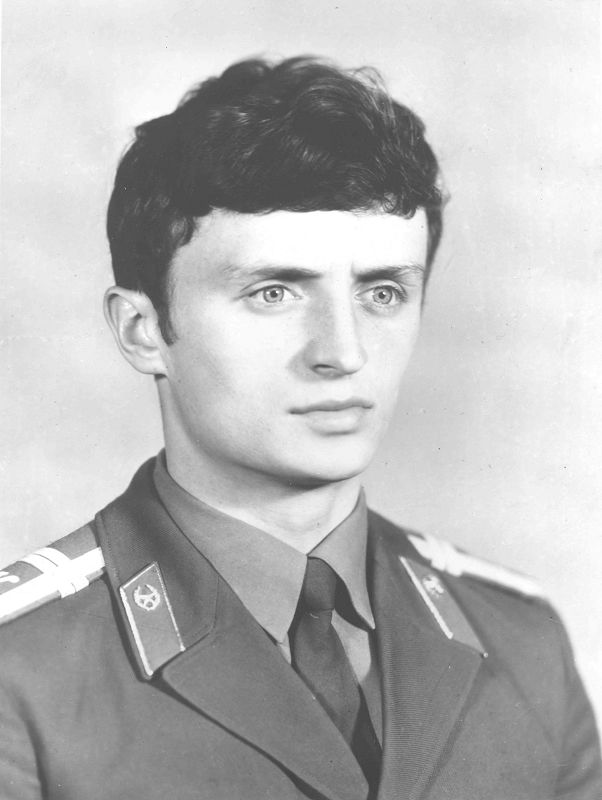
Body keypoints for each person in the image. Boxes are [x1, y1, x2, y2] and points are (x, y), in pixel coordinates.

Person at [0, 56, 599, 800]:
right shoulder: (21, 675)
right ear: (143, 330)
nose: (343, 353)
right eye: (274, 292)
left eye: (383, 292)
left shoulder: (523, 645)